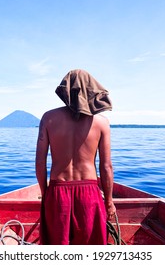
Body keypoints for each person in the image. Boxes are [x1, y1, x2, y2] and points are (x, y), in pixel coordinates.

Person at [35, 69, 116, 245]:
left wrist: (45, 193)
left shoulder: (48, 118)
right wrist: (109, 201)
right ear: (92, 90)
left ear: (65, 91)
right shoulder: (101, 122)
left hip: (57, 191)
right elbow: (106, 167)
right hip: (89, 193)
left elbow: (40, 161)